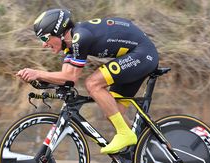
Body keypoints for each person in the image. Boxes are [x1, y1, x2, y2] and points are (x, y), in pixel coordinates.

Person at [16, 9, 159, 154]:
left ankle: (125, 135)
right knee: (113, 112)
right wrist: (40, 79)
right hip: (135, 55)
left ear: (58, 32)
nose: (44, 45)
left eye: (44, 38)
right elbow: (65, 78)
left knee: (93, 83)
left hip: (143, 54)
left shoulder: (80, 37)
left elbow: (70, 77)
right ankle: (145, 152)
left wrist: (38, 73)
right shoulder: (70, 45)